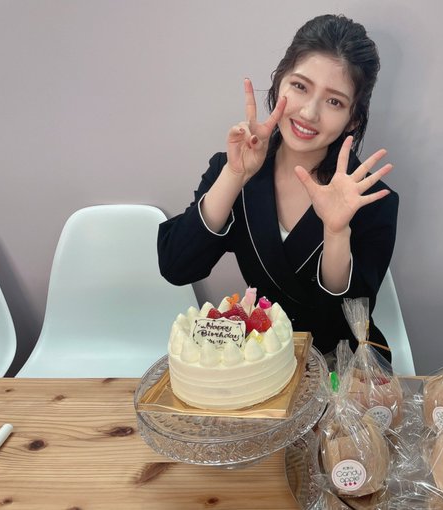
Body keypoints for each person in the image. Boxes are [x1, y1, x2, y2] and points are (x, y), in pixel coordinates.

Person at [158, 14, 398, 359]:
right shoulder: (234, 170)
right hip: (262, 359)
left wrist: (336, 232)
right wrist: (234, 176)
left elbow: (343, 329)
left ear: (353, 119)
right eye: (300, 86)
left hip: (344, 370)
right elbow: (177, 266)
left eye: (334, 101)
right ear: (278, 83)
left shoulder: (372, 202)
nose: (309, 113)